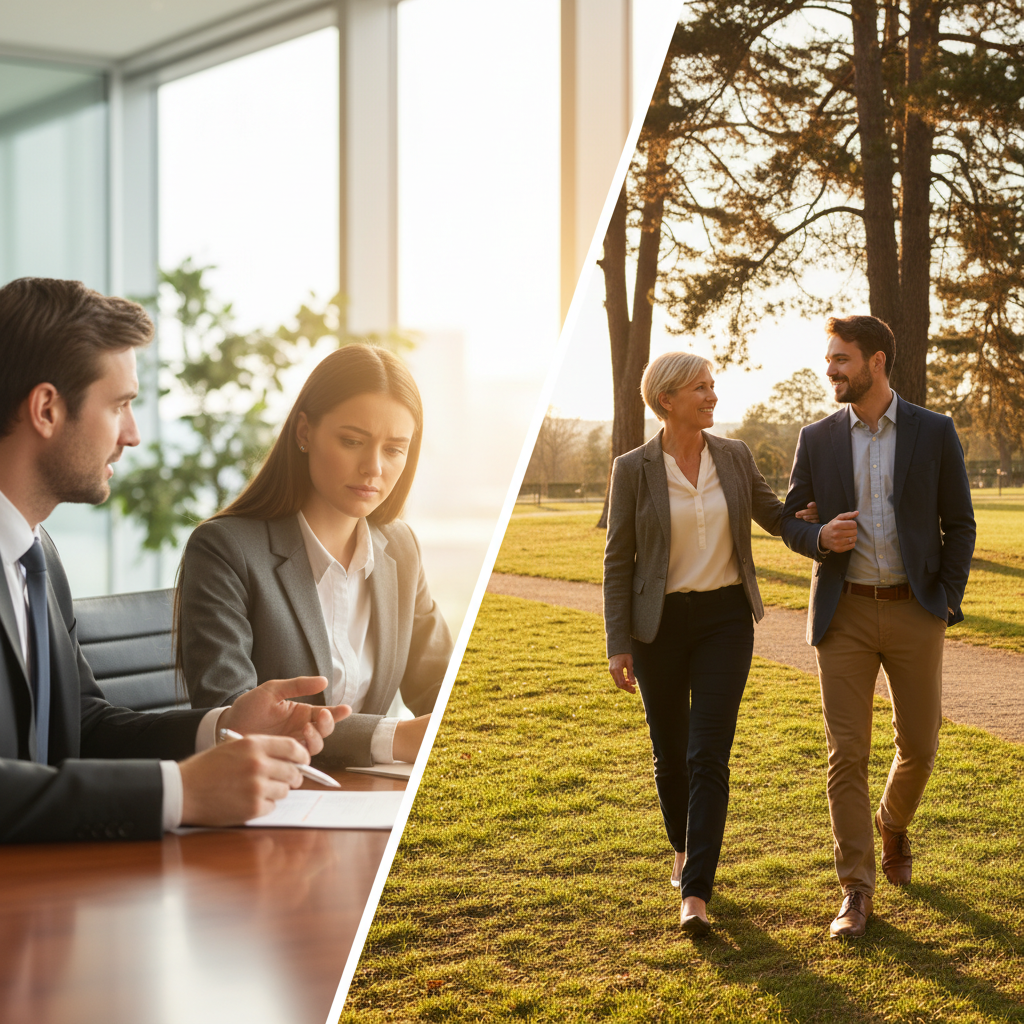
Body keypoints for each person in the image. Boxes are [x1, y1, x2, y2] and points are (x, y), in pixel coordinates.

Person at [0, 277, 351, 843]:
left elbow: (83, 726)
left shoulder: (35, 556)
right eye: (120, 405)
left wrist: (222, 728)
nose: (133, 435)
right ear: (46, 409)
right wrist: (179, 792)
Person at [603, 352, 818, 935]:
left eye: (713, 386)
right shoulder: (633, 468)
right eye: (701, 387)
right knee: (670, 753)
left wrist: (815, 523)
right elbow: (618, 557)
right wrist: (617, 641)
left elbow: (773, 513)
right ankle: (681, 848)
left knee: (707, 755)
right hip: (658, 626)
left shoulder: (734, 454)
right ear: (667, 398)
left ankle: (696, 892)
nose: (712, 396)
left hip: (726, 618)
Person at [780, 315, 975, 939]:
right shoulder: (816, 437)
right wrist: (818, 537)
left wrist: (946, 596)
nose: (832, 370)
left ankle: (894, 822)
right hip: (846, 613)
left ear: (877, 361)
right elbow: (790, 519)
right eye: (830, 359)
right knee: (847, 756)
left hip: (917, 608)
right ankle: (856, 892)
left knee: (920, 744)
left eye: (842, 359)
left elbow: (960, 523)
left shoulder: (934, 431)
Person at [177, 344, 452, 768]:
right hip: (271, 799)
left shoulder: (400, 548)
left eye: (395, 449)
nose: (373, 468)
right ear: (304, 432)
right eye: (352, 441)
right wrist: (393, 736)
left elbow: (441, 683)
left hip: (371, 798)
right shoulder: (224, 550)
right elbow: (233, 720)